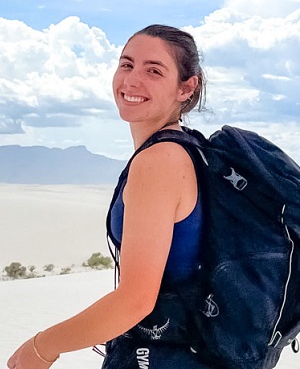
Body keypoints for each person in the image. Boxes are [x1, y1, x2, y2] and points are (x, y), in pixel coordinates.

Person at [7, 24, 207, 369]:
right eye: (126, 64)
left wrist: (41, 348)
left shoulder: (158, 162)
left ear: (186, 88)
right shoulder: (190, 151)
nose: (131, 80)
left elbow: (135, 300)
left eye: (154, 71)